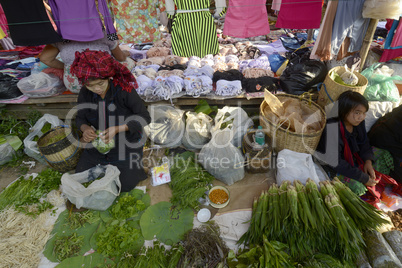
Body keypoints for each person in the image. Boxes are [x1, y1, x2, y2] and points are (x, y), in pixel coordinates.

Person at [71, 49, 151, 192]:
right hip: (100, 142)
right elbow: (81, 118)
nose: (96, 89)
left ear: (108, 77)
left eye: (100, 84)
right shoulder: (85, 93)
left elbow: (145, 117)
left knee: (125, 185)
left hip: (126, 142)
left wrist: (118, 129)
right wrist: (85, 129)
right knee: (82, 176)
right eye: (90, 85)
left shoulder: (123, 90)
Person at [316, 91, 377, 195]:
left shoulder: (358, 122)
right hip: (331, 165)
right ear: (344, 111)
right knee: (357, 187)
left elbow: (364, 142)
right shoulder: (332, 128)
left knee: (381, 156)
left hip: (351, 158)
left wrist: (368, 162)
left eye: (364, 113)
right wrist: (362, 177)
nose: (361, 117)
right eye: (357, 112)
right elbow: (336, 162)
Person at [39, 33, 133, 93]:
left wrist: (70, 67)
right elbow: (120, 57)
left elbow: (45, 58)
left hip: (75, 85)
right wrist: (126, 53)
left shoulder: (60, 35)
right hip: (104, 84)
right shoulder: (106, 33)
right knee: (128, 61)